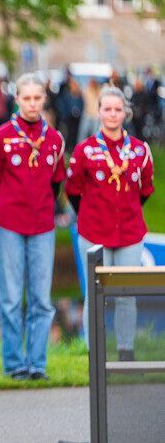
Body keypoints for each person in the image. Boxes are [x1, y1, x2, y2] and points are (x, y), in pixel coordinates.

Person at [0, 73, 66, 381]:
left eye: (37, 98)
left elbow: (56, 182)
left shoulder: (54, 139)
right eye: (26, 98)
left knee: (42, 300)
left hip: (42, 224)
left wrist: (43, 207)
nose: (32, 104)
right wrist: (4, 206)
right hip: (9, 224)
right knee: (11, 298)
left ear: (44, 99)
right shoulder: (1, 136)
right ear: (16, 100)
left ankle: (37, 363)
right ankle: (15, 363)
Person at [66, 86, 154, 361]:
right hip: (94, 233)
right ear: (99, 111)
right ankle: (95, 352)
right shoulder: (85, 150)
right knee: (95, 294)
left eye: (118, 109)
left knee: (126, 294)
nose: (112, 114)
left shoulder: (140, 150)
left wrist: (125, 212)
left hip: (129, 233)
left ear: (125, 113)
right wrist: (93, 215)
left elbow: (145, 189)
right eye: (107, 109)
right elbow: (72, 190)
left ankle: (126, 351)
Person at [78, 78, 101, 143]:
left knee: (95, 133)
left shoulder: (99, 91)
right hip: (87, 114)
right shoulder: (86, 90)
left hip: (96, 116)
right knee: (83, 133)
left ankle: (94, 146)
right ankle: (80, 147)